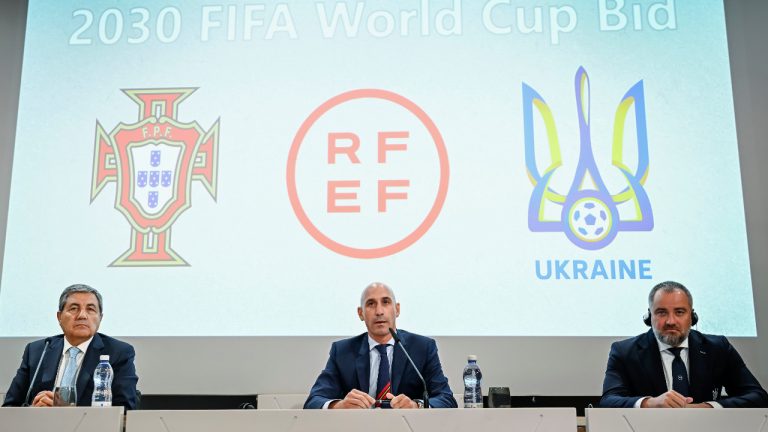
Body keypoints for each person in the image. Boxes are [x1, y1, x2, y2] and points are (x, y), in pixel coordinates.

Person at [600, 281, 767, 408]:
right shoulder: (624, 351)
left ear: (692, 317)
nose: (671, 321)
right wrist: (650, 403)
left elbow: (758, 396)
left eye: (679, 312)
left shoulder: (718, 347)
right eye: (661, 312)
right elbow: (608, 401)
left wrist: (708, 407)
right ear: (649, 317)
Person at [304, 282, 457, 409]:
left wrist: (416, 406)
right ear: (360, 313)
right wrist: (339, 406)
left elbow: (446, 399)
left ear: (397, 309)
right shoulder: (343, 351)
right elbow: (314, 401)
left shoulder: (422, 348)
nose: (379, 311)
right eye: (371, 304)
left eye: (385, 302)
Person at [3, 284, 139, 409]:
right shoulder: (38, 351)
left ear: (100, 318)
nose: (82, 315)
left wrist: (66, 411)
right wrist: (33, 411)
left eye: (90, 309)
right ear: (59, 317)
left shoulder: (119, 352)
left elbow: (125, 409)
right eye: (74, 308)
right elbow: (10, 406)